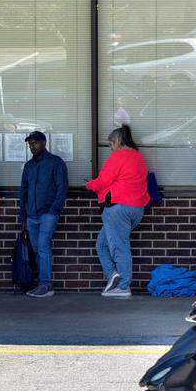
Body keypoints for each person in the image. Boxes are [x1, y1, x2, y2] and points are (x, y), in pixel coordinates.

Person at [85, 125, 149, 298]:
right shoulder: (138, 157)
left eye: (110, 144)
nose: (110, 148)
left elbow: (103, 180)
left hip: (118, 208)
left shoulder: (118, 156)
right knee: (102, 244)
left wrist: (89, 185)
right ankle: (112, 274)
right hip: (137, 208)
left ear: (118, 141)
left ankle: (123, 286)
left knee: (119, 247)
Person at [18, 131, 68, 298]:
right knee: (37, 249)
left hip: (48, 214)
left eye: (35, 143)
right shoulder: (28, 166)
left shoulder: (55, 162)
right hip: (31, 216)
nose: (32, 146)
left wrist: (54, 209)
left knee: (43, 247)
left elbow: (62, 187)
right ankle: (43, 284)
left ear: (44, 143)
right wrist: (23, 216)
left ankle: (45, 285)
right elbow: (23, 191)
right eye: (30, 144)